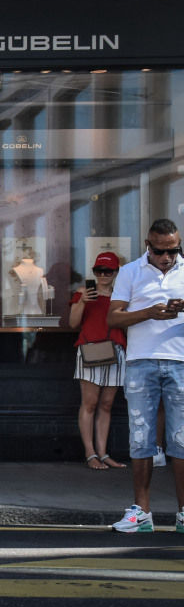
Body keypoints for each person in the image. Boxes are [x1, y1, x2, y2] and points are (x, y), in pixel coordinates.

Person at [107, 218, 184, 533]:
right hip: (141, 362)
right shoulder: (130, 272)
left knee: (181, 440)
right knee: (141, 438)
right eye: (159, 251)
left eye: (174, 250)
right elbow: (113, 317)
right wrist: (149, 312)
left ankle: (183, 513)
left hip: (180, 361)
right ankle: (141, 513)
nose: (166, 257)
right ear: (147, 246)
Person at [68, 251, 127, 470]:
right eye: (98, 271)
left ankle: (102, 453)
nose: (103, 275)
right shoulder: (84, 292)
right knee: (90, 403)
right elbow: (74, 323)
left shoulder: (122, 295)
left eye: (108, 271)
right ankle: (90, 453)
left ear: (116, 272)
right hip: (91, 348)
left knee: (107, 404)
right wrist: (82, 301)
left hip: (115, 349)